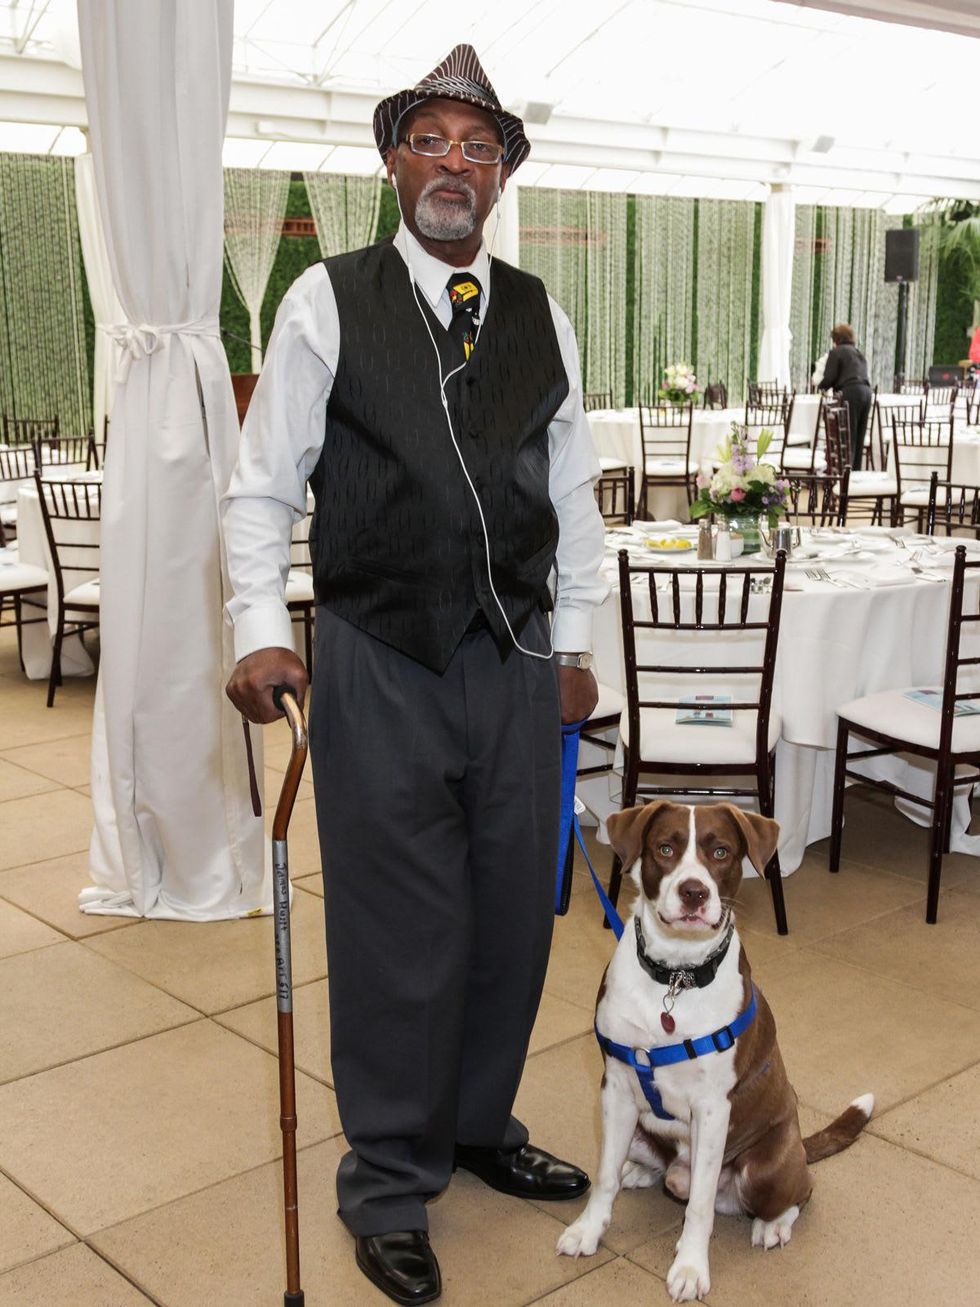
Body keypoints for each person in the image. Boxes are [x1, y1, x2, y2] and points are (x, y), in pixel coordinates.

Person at [222, 44, 607, 1307]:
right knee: (398, 931)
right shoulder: (328, 299)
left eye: (479, 147)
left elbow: (573, 497)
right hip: (378, 654)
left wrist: (579, 650)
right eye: (434, 140)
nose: (456, 163)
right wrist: (255, 622)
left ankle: (477, 1124)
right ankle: (388, 1178)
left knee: (508, 912)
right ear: (394, 160)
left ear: (501, 178)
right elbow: (263, 479)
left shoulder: (542, 310)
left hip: (515, 660)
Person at [819, 323, 873, 470]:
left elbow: (830, 377)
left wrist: (820, 387)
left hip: (851, 392)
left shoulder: (837, 352)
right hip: (867, 393)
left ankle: (845, 476)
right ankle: (855, 473)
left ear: (836, 339)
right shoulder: (858, 353)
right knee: (859, 437)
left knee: (848, 436)